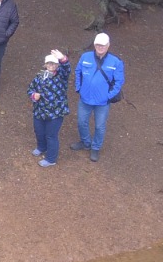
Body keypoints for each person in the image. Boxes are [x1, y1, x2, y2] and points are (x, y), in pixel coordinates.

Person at [74, 32, 125, 163]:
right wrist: (79, 88)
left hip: (102, 102)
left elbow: (119, 82)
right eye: (97, 44)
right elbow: (78, 72)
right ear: (94, 45)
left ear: (108, 45)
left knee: (99, 126)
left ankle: (95, 148)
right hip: (85, 99)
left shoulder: (116, 62)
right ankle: (86, 142)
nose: (100, 47)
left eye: (103, 45)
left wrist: (108, 96)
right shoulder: (85, 57)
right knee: (81, 122)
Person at [28, 49, 72, 166]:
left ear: (57, 65)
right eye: (49, 63)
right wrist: (33, 95)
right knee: (39, 131)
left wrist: (63, 59)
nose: (51, 66)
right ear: (45, 64)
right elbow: (30, 88)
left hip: (55, 113)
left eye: (53, 63)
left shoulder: (62, 76)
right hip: (40, 111)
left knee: (51, 135)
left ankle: (51, 159)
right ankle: (41, 147)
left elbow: (67, 68)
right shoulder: (39, 76)